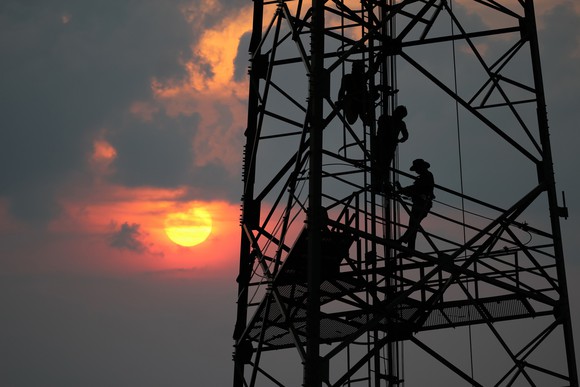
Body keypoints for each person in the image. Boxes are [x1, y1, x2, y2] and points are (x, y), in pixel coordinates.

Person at [396, 158, 435, 256]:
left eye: (417, 169)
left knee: (413, 225)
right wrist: (402, 190)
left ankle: (403, 241)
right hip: (420, 204)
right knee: (413, 225)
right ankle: (409, 248)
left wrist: (401, 190)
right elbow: (415, 189)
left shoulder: (426, 176)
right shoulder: (425, 176)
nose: (416, 171)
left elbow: (416, 189)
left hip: (422, 204)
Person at [373, 105, 409, 191]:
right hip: (382, 144)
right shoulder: (387, 119)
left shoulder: (398, 122)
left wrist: (400, 140)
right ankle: (380, 182)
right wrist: (400, 139)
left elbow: (406, 135)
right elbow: (405, 135)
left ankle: (382, 182)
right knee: (381, 164)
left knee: (384, 164)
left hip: (388, 145)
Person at [338, 61, 373, 125]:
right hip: (353, 103)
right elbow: (341, 92)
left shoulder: (362, 77)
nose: (363, 70)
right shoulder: (348, 78)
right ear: (357, 68)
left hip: (361, 102)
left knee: (368, 121)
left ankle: (366, 118)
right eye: (362, 68)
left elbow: (372, 70)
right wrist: (341, 101)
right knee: (352, 120)